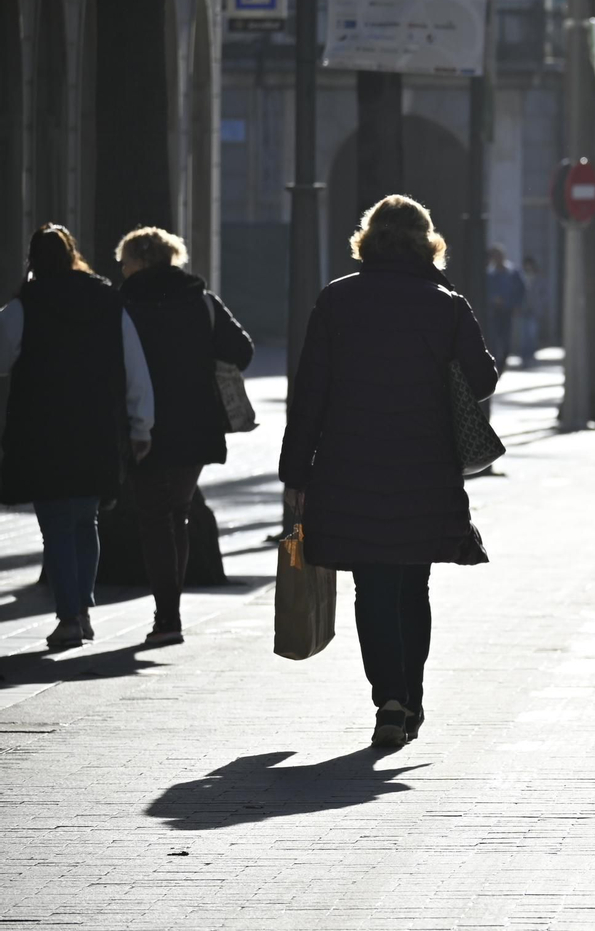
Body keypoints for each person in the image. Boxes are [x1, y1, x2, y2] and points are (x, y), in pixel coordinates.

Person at [280, 195, 498, 747]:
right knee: (412, 584)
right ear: (427, 242)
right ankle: (412, 697)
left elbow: (310, 392)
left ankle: (390, 700)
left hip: (349, 466)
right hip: (425, 467)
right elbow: (483, 377)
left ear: (367, 240)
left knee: (371, 584)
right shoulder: (447, 304)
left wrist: (296, 471)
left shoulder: (337, 300)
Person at [0, 225, 154, 651]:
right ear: (73, 255)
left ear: (33, 259)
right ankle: (82, 611)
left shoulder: (22, 307)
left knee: (56, 528)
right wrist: (141, 426)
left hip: (42, 433)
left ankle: (69, 616)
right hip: (96, 430)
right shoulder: (107, 301)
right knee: (87, 521)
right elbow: (133, 366)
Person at [118, 227, 255, 646]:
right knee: (175, 512)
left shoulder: (123, 303)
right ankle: (169, 613)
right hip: (197, 422)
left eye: (124, 261)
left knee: (154, 517)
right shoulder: (201, 300)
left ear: (138, 262)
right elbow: (242, 350)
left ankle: (168, 617)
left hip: (143, 422)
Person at [484, 245, 525, 368]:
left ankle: (503, 360)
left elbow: (521, 290)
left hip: (508, 310)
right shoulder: (489, 274)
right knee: (494, 337)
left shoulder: (512, 272)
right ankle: (496, 362)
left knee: (506, 338)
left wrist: (517, 304)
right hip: (494, 311)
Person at [517, 255, 541, 368]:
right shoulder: (520, 277)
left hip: (533, 310)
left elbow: (541, 294)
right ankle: (524, 357)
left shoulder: (537, 278)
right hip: (523, 310)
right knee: (523, 336)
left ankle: (531, 356)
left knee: (532, 334)